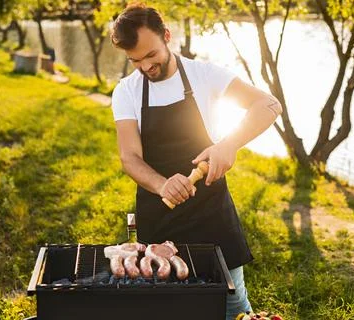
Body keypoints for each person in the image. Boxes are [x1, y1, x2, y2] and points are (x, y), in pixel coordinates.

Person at [110, 4, 282, 319]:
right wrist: (162, 184)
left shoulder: (205, 75)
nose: (146, 66)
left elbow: (268, 104)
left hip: (212, 215)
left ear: (166, 36)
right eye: (135, 60)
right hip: (160, 218)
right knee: (167, 310)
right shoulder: (127, 91)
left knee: (232, 306)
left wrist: (228, 144)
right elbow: (130, 157)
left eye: (151, 55)